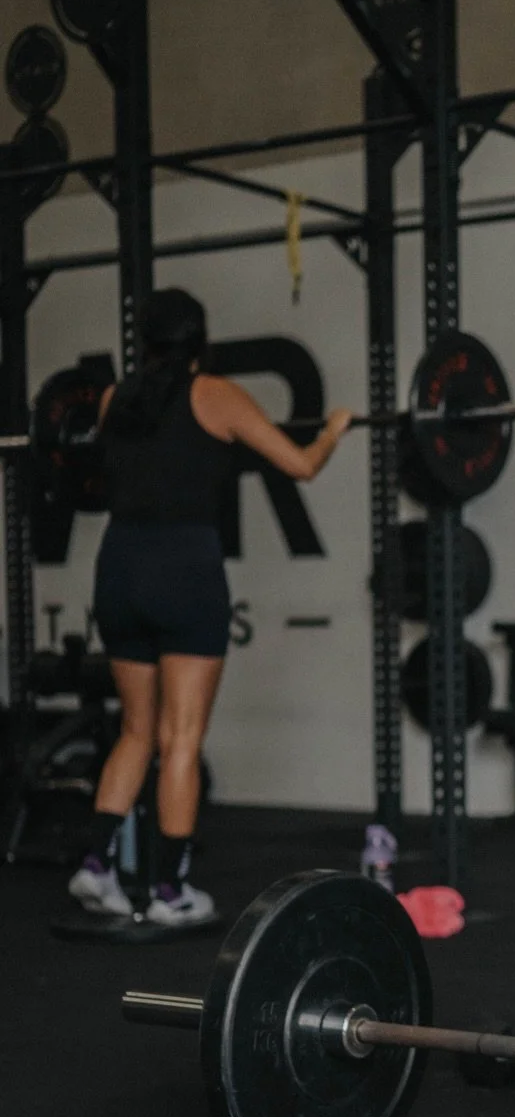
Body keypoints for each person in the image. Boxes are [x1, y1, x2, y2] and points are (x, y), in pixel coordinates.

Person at [67, 288, 350, 926]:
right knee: (181, 739)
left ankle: (96, 864)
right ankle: (171, 893)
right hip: (185, 569)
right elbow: (300, 465)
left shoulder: (115, 398)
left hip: (119, 567)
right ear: (201, 343)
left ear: (144, 343)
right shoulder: (213, 394)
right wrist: (334, 428)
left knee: (136, 732)